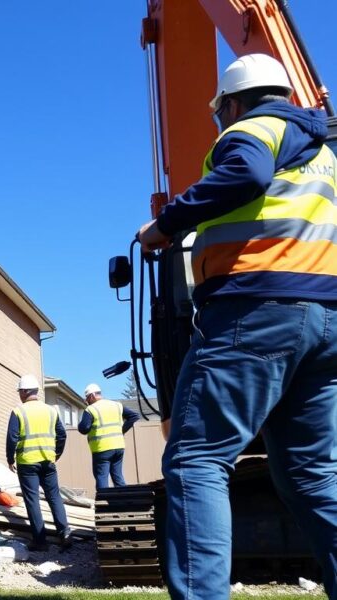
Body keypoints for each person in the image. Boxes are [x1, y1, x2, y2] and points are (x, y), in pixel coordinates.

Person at [138, 53, 337, 600]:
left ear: (231, 103)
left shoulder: (254, 130)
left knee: (197, 459)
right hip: (326, 323)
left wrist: (167, 222)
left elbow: (245, 174)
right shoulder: (323, 156)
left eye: (220, 113)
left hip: (255, 311)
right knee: (312, 476)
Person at [6, 374, 73, 550]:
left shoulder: (19, 411)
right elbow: (62, 434)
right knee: (54, 496)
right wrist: (56, 453)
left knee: (32, 500)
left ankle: (40, 541)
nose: (19, 394)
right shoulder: (51, 411)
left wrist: (9, 458)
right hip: (48, 462)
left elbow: (12, 437)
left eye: (20, 391)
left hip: (27, 463)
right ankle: (64, 532)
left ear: (26, 391)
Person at [77, 383, 139, 490]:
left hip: (102, 449)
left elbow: (84, 429)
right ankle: (124, 503)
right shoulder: (116, 405)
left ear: (91, 396)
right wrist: (121, 431)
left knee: (102, 477)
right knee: (118, 477)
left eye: (87, 398)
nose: (87, 401)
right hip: (119, 446)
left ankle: (104, 503)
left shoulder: (91, 409)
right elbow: (134, 416)